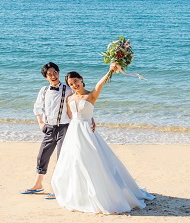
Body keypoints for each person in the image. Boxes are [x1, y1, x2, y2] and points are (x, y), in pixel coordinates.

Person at [51, 63, 155, 214]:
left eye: (76, 81)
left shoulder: (91, 95)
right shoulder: (69, 98)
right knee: (74, 162)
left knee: (93, 161)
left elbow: (101, 83)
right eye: (71, 84)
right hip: (74, 131)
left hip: (87, 131)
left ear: (81, 79)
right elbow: (70, 116)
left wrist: (110, 70)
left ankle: (103, 193)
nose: (74, 85)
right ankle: (79, 194)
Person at [21, 62, 95, 199]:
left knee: (62, 158)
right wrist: (41, 123)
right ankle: (38, 184)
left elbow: (81, 102)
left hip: (65, 127)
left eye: (55, 72)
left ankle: (57, 188)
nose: (53, 75)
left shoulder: (68, 89)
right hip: (48, 127)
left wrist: (91, 119)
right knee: (42, 155)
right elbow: (37, 107)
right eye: (50, 74)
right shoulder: (43, 91)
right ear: (45, 77)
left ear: (58, 73)